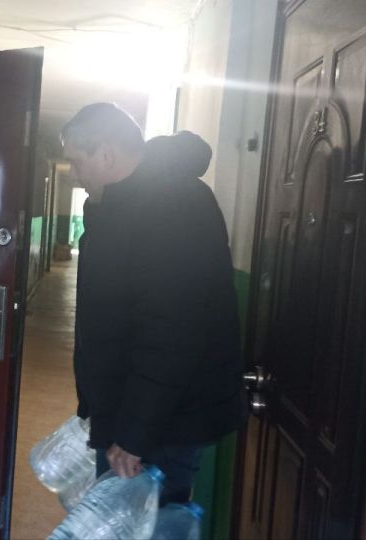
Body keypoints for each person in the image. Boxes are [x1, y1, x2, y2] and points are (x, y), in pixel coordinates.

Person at [61, 103, 247, 506]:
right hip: (134, 414)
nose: (74, 174)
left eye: (77, 161)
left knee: (143, 524)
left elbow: (172, 333)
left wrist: (135, 434)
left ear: (106, 154)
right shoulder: (119, 204)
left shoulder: (173, 206)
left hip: (161, 427)